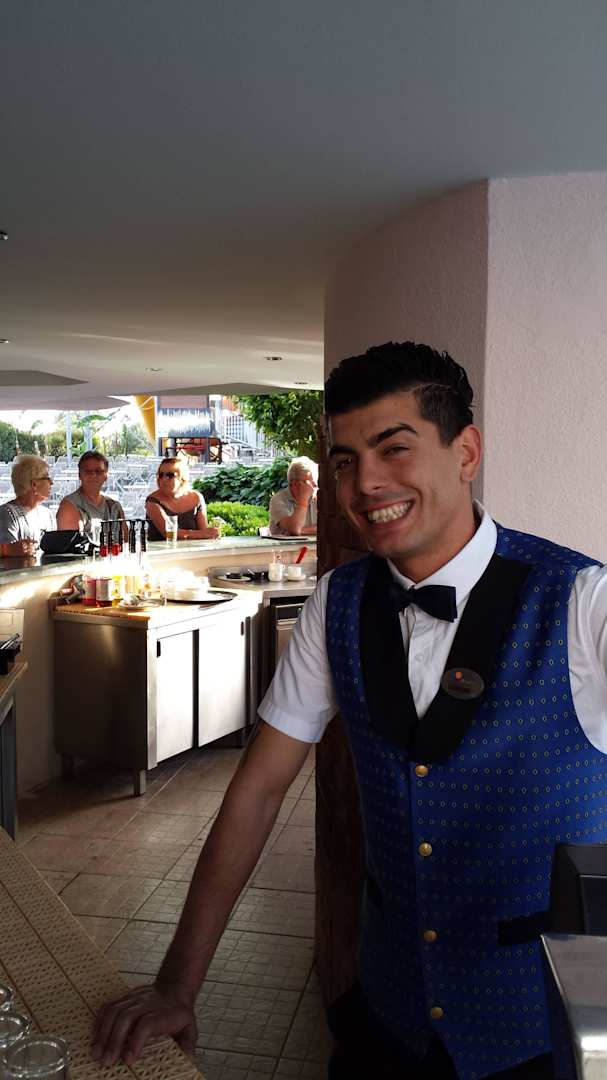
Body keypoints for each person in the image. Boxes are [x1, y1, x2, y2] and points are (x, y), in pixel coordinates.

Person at [92, 341, 607, 1080]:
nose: (364, 483)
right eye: (344, 461)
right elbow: (257, 790)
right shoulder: (337, 601)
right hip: (385, 1017)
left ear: (465, 452)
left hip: (539, 1034)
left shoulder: (582, 602)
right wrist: (178, 983)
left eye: (394, 449)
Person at [144, 458, 219, 541]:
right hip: (162, 549)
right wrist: (202, 534)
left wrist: (207, 533)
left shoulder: (196, 497)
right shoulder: (152, 501)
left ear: (182, 478)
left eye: (170, 475)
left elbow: (204, 533)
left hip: (192, 548)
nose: (163, 479)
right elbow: (168, 533)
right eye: (161, 475)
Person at [56, 451, 126, 540]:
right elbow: (70, 545)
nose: (93, 475)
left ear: (106, 476)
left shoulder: (114, 507)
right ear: (79, 475)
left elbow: (126, 541)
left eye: (98, 471)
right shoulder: (69, 506)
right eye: (87, 471)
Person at [0, 454, 55, 556]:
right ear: (34, 484)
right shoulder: (6, 514)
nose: (51, 483)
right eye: (47, 478)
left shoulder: (47, 514)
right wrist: (8, 550)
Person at [268, 456, 318, 536]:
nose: (315, 487)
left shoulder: (317, 496)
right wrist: (303, 500)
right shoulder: (278, 500)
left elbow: (328, 527)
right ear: (295, 484)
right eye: (312, 483)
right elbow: (294, 529)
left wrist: (301, 530)